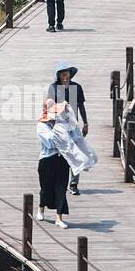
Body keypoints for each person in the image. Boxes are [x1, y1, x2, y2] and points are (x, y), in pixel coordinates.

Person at [46, 62, 88, 195]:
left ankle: (74, 184)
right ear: (58, 75)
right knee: (59, 155)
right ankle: (59, 183)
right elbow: (49, 107)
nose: (65, 75)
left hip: (73, 126)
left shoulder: (77, 87)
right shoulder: (53, 88)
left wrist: (86, 123)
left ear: (70, 74)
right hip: (58, 126)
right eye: (62, 73)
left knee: (76, 154)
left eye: (67, 72)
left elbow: (81, 106)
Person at [36, 101, 71, 228]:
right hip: (47, 159)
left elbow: (72, 135)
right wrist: (59, 128)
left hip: (62, 159)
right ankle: (41, 208)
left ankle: (59, 218)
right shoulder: (41, 125)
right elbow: (50, 142)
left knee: (61, 188)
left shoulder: (62, 122)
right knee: (46, 188)